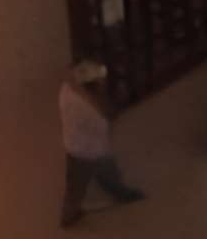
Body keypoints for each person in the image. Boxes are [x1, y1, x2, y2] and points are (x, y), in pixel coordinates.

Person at [57, 58, 145, 229]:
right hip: (90, 153)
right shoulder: (92, 113)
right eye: (100, 81)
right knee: (104, 175)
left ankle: (70, 213)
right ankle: (119, 194)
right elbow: (105, 124)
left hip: (74, 149)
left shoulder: (66, 92)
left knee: (75, 187)